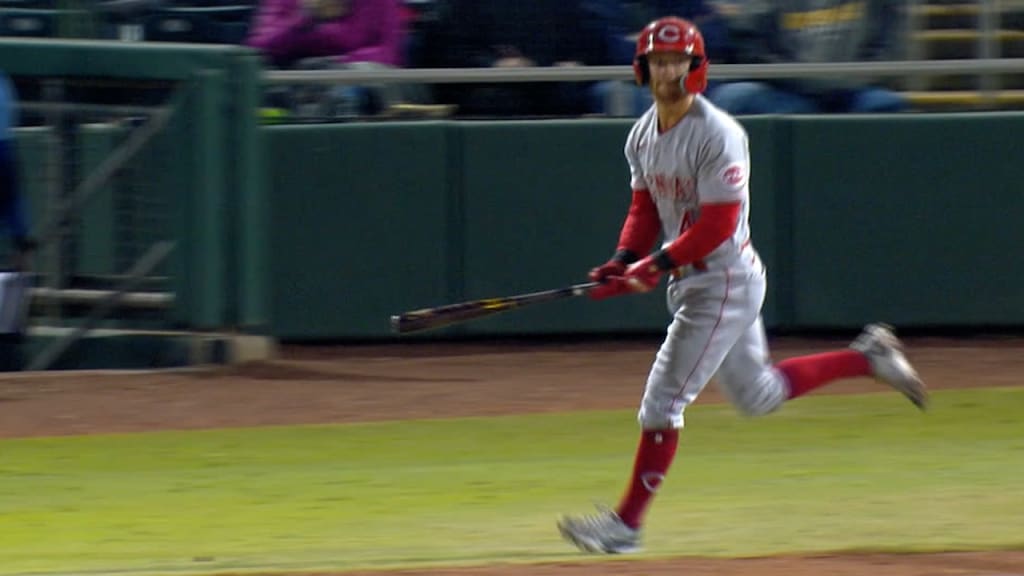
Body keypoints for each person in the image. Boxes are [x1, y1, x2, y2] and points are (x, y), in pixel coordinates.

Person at [556, 16, 927, 555]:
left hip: (722, 281)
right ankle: (867, 357)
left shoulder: (719, 133)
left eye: (677, 60)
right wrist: (622, 259)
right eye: (658, 61)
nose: (667, 71)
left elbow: (717, 225)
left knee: (661, 404)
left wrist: (652, 266)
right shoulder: (642, 133)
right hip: (699, 280)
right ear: (643, 68)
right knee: (757, 396)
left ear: (695, 65)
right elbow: (644, 207)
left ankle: (625, 527)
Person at [706, 0, 907, 114]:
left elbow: (888, 53)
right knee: (734, 98)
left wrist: (840, 82)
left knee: (883, 103)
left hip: (854, 93)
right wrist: (804, 82)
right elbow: (752, 49)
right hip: (789, 92)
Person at [245, 0, 406, 118]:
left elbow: (389, 52)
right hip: (293, 81)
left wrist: (340, 63)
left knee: (355, 84)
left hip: (350, 75)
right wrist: (305, 18)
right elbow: (259, 48)